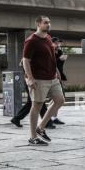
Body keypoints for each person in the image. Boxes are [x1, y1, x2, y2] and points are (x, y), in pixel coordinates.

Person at [23, 16, 65, 146]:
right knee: (37, 105)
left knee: (60, 100)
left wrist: (57, 72)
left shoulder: (47, 37)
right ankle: (33, 137)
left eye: (49, 22)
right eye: (45, 23)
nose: (48, 24)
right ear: (38, 24)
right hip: (39, 78)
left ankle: (41, 127)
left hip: (52, 77)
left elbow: (52, 57)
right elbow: (25, 60)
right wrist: (30, 78)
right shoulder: (31, 41)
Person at [10, 59, 50, 128]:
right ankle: (47, 122)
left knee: (31, 102)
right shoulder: (28, 60)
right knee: (39, 101)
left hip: (31, 83)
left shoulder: (27, 60)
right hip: (32, 83)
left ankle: (16, 118)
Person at [50, 37, 67, 125]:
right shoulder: (49, 51)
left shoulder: (59, 52)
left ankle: (53, 117)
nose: (58, 45)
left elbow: (60, 67)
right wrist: (59, 59)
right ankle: (49, 117)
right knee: (58, 99)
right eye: (56, 43)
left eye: (59, 43)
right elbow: (51, 63)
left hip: (59, 76)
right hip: (52, 76)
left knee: (59, 99)